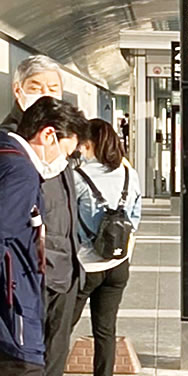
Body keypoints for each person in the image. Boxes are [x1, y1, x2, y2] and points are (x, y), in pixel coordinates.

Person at [1, 56, 86, 376]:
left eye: (53, 87)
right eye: (36, 88)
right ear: (17, 90)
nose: (46, 94)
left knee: (54, 360)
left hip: (63, 274)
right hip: (28, 278)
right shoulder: (15, 145)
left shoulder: (58, 132)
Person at [71, 119, 141, 376]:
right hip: (118, 265)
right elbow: (134, 219)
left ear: (89, 144)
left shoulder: (78, 177)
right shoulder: (129, 174)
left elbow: (68, 222)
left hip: (85, 266)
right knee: (105, 330)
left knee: (62, 327)